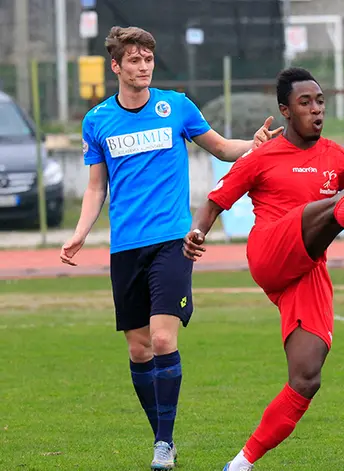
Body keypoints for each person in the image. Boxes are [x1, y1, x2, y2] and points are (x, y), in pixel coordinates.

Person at [181, 67, 344, 471]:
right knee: (340, 203)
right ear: (285, 110)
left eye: (320, 101)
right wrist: (197, 232)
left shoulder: (338, 156)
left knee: (306, 379)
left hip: (306, 268)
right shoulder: (262, 157)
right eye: (306, 103)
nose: (317, 110)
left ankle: (240, 463)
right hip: (270, 249)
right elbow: (216, 201)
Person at [58, 26, 279, 470]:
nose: (143, 67)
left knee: (162, 339)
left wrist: (251, 147)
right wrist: (81, 231)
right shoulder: (97, 120)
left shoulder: (175, 107)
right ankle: (163, 436)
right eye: (134, 61)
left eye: (148, 60)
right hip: (125, 247)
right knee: (138, 350)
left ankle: (163, 443)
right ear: (116, 66)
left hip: (172, 242)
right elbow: (96, 185)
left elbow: (219, 147)